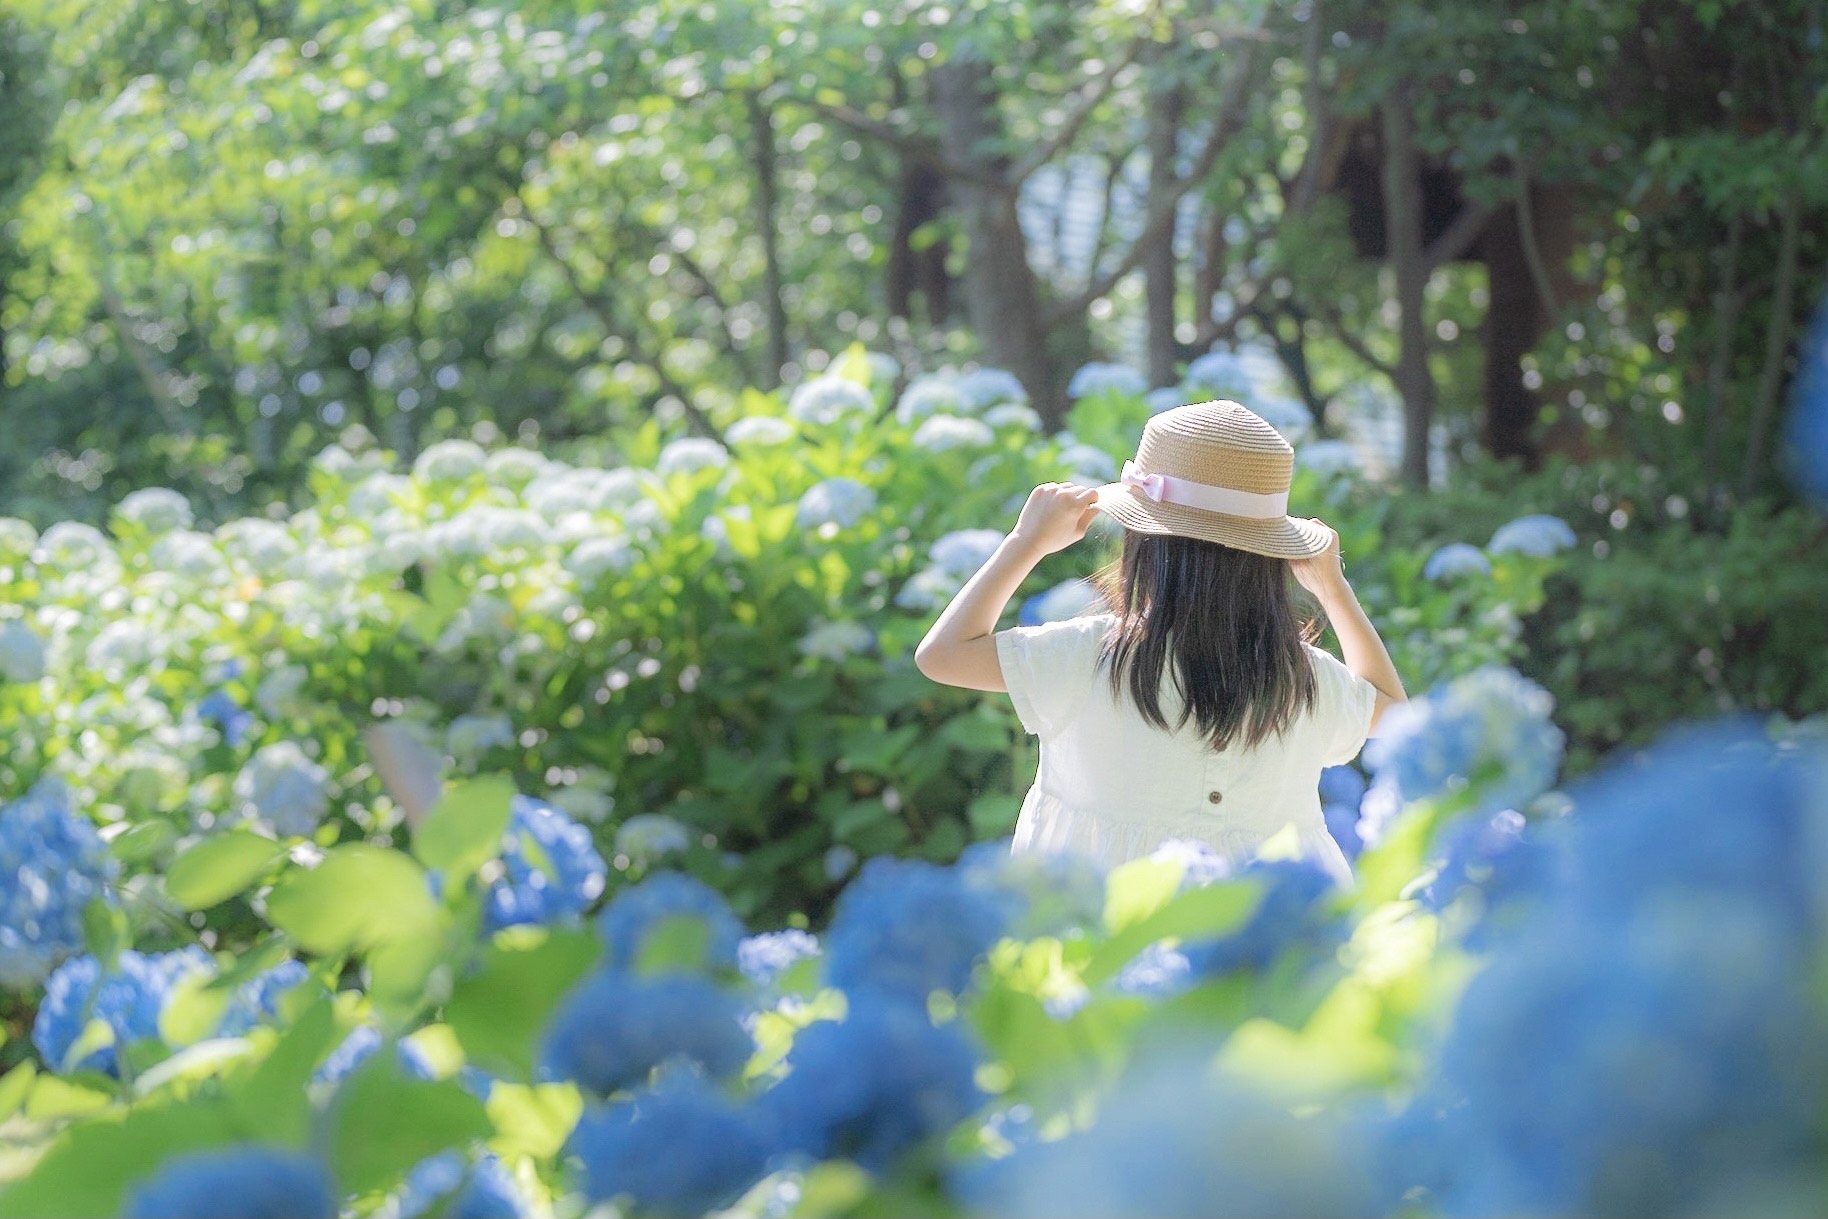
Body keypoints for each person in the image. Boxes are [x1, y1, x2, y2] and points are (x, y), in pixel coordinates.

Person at [914, 400, 1405, 886]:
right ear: (1271, 561)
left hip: (1104, 920)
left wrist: (1026, 541)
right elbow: (1393, 713)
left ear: (1145, 546)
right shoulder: (1301, 678)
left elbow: (943, 655)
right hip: (1264, 924)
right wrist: (1333, 590)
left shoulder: (1092, 657)